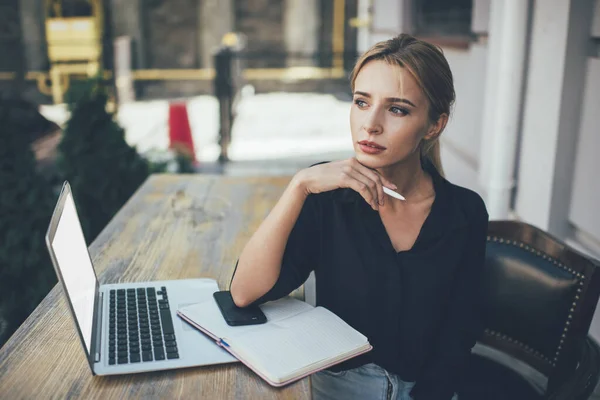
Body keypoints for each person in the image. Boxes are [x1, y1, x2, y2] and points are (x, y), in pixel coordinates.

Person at [229, 34, 489, 400]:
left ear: (434, 125)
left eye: (397, 109)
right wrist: (299, 185)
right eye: (362, 102)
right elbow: (243, 293)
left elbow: (460, 328)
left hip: (428, 390)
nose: (371, 125)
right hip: (334, 387)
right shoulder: (328, 197)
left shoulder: (464, 212)